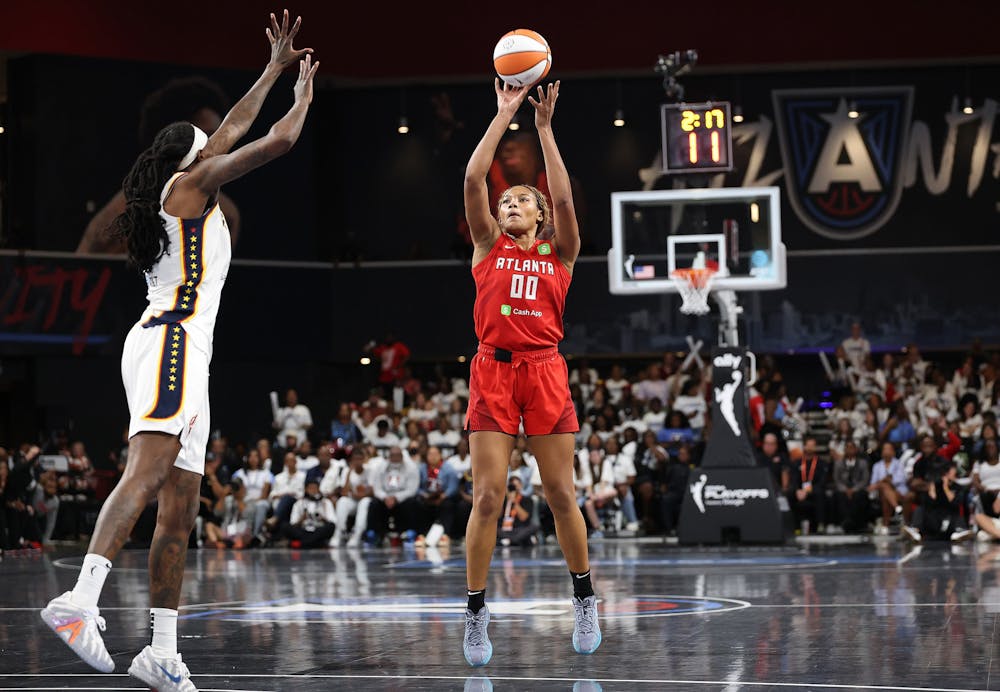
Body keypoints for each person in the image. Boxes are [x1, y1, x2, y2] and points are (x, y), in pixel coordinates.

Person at [40, 13, 317, 690]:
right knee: (147, 472)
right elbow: (275, 140)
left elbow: (235, 128)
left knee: (180, 508)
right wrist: (303, 94)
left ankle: (161, 650)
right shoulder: (190, 189)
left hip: (183, 348)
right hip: (170, 343)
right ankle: (78, 601)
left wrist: (273, 69)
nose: (219, 142)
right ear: (191, 158)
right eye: (208, 143)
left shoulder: (185, 182)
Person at [460, 79, 599, 667]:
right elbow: (473, 180)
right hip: (493, 371)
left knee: (561, 493)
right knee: (488, 496)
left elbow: (565, 203)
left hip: (544, 371)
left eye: (521, 200)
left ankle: (585, 596)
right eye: (505, 201)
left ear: (539, 215)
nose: (508, 204)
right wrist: (506, 112)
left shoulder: (559, 252)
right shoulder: (488, 244)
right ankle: (475, 612)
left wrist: (543, 131)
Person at [77, 77, 242, 254]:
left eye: (219, 137)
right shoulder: (123, 214)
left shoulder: (226, 214)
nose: (215, 147)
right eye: (205, 136)